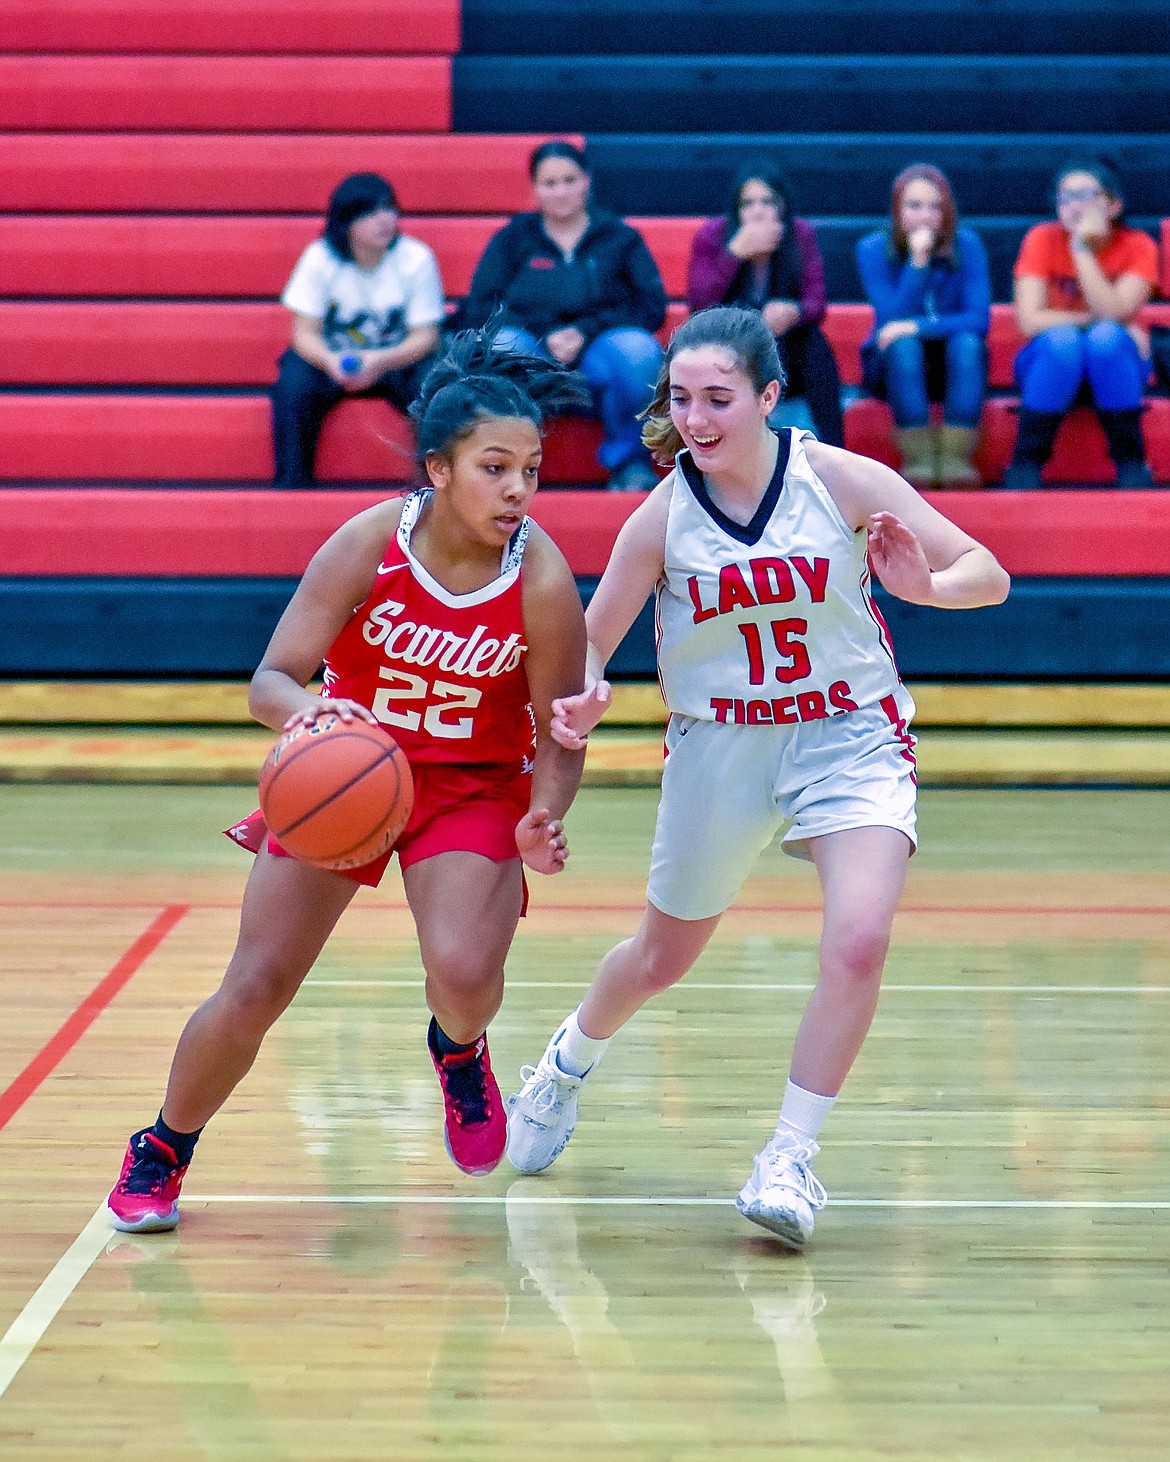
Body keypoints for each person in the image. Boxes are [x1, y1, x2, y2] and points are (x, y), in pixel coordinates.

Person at [505, 306, 1009, 1251]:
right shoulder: (660, 516)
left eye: (718, 400)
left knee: (858, 939)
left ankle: (789, 1155)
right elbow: (587, 649)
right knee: (661, 958)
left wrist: (930, 590)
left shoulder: (842, 478)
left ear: (770, 398)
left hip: (849, 733)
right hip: (720, 744)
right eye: (681, 398)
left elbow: (990, 573)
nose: (694, 419)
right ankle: (566, 1064)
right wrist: (583, 703)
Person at [108, 328, 591, 1232]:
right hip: (348, 773)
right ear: (440, 470)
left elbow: (562, 731)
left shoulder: (542, 577)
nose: (519, 488)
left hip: (473, 786)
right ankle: (163, 1145)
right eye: (496, 467)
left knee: (463, 968)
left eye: (531, 467)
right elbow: (270, 681)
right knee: (255, 985)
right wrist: (316, 718)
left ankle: (460, 1050)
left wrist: (543, 814)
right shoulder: (369, 543)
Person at [459, 140, 667, 493]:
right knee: (501, 344)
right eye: (549, 183)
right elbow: (481, 307)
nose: (561, 191)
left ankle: (630, 464)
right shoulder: (512, 239)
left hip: (600, 351)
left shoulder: (620, 237)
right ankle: (506, 466)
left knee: (639, 351)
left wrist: (584, 331)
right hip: (532, 351)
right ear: (534, 188)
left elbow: (650, 306)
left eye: (570, 180)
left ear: (587, 181)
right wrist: (545, 332)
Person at [271, 172, 444, 487]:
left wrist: (379, 361)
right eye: (371, 212)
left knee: (435, 378)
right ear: (346, 221)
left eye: (390, 209)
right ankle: (292, 485)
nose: (385, 220)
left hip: (396, 361)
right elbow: (303, 334)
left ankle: (433, 488)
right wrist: (330, 361)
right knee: (293, 381)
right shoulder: (320, 258)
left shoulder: (415, 258)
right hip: (334, 359)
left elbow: (426, 336)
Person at [1004, 158, 1158, 490]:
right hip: (1051, 364)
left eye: (1085, 194)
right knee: (1066, 340)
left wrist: (1081, 250)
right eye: (1065, 197)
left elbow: (1115, 314)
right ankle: (1026, 461)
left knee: (1106, 339)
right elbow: (1030, 321)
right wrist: (1095, 321)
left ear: (1113, 204)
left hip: (1115, 367)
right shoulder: (1041, 238)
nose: (1074, 205)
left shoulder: (1139, 245)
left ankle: (1130, 460)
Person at [687, 161, 844, 447]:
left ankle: (835, 450)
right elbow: (699, 307)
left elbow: (816, 302)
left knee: (814, 343)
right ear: (736, 209)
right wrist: (733, 254)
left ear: (782, 207)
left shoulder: (800, 235)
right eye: (748, 203)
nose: (758, 211)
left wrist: (794, 312)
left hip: (789, 349)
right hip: (728, 346)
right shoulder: (713, 236)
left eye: (768, 201)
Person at [856, 165, 991, 489]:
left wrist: (916, 327)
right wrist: (918, 263)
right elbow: (890, 320)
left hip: (955, 366)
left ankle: (956, 459)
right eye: (915, 206)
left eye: (935, 207)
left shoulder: (967, 244)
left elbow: (978, 319)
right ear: (897, 210)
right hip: (892, 369)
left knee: (967, 343)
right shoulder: (872, 249)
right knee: (904, 347)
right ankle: (918, 460)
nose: (926, 215)